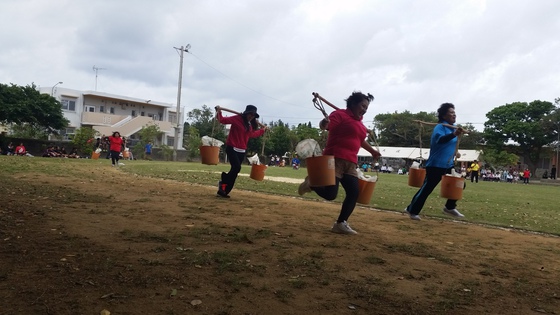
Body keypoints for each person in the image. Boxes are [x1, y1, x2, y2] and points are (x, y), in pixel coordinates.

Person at [298, 91, 381, 235]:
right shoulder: (339, 115)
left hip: (350, 163)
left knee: (354, 192)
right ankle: (311, 183)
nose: (364, 110)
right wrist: (324, 123)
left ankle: (341, 223)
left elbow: (359, 140)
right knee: (331, 194)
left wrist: (373, 151)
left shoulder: (360, 124)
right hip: (334, 159)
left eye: (366, 108)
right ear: (353, 104)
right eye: (362, 106)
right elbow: (325, 126)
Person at [404, 103, 466, 221]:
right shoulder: (440, 127)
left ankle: (449, 207)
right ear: (443, 115)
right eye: (451, 112)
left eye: (454, 112)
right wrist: (454, 134)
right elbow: (440, 140)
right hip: (436, 164)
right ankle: (412, 210)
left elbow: (449, 145)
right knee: (427, 188)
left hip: (448, 164)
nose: (454, 114)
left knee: (460, 183)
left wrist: (455, 152)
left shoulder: (454, 127)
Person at [215, 104, 267, 198]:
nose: (251, 116)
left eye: (253, 115)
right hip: (232, 147)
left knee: (234, 171)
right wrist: (219, 112)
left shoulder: (249, 125)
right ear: (246, 113)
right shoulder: (236, 118)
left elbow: (252, 134)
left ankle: (224, 191)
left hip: (242, 150)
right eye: (250, 114)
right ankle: (223, 182)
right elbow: (222, 120)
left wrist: (262, 130)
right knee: (237, 167)